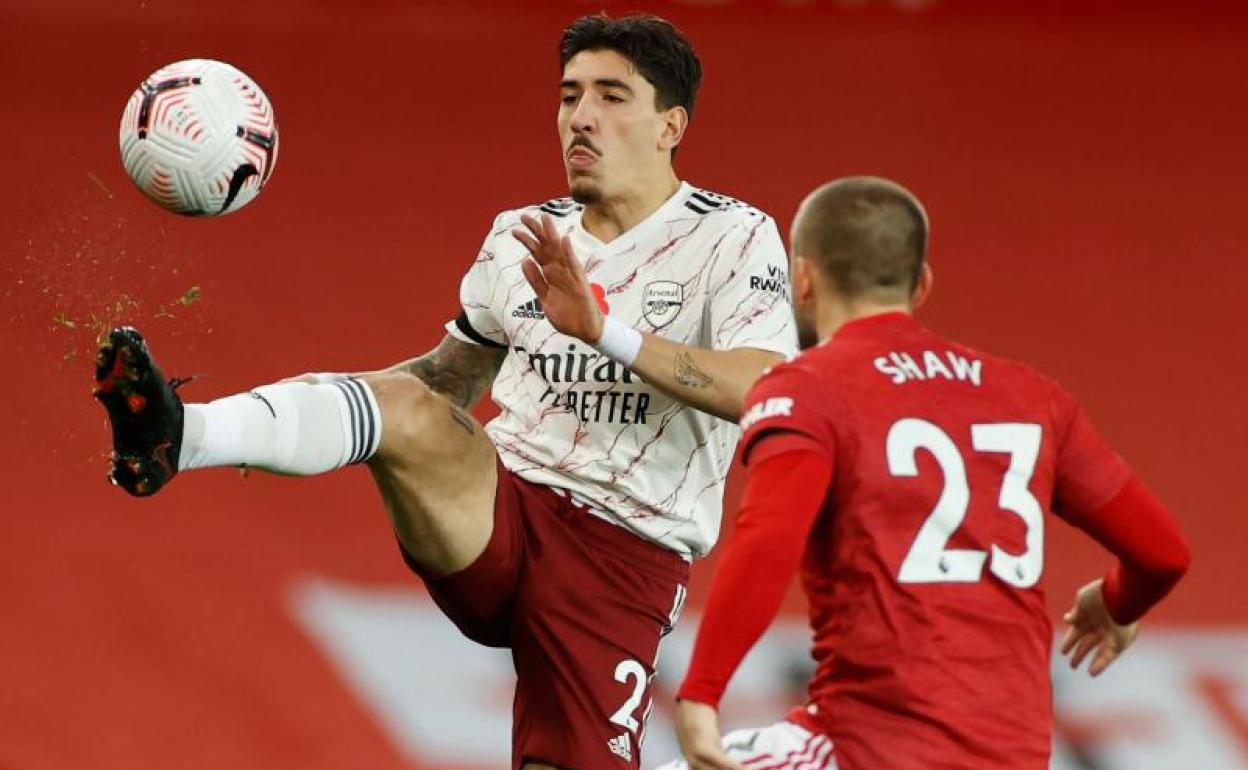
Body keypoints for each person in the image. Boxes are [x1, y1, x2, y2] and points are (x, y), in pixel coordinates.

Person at [92, 13, 798, 770]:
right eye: (568, 96)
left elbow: (765, 387)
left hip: (625, 559)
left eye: (611, 96)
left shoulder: (733, 236)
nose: (580, 116)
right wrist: (351, 401)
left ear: (670, 125)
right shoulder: (521, 235)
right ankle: (180, 436)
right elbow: (451, 381)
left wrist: (605, 332)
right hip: (502, 512)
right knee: (406, 408)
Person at [661, 177, 1191, 770]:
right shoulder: (1031, 397)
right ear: (922, 285)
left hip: (869, 746)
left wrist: (700, 694)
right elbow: (1163, 553)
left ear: (803, 280)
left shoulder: (809, 388)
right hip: (1014, 756)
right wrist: (1118, 603)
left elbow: (769, 539)